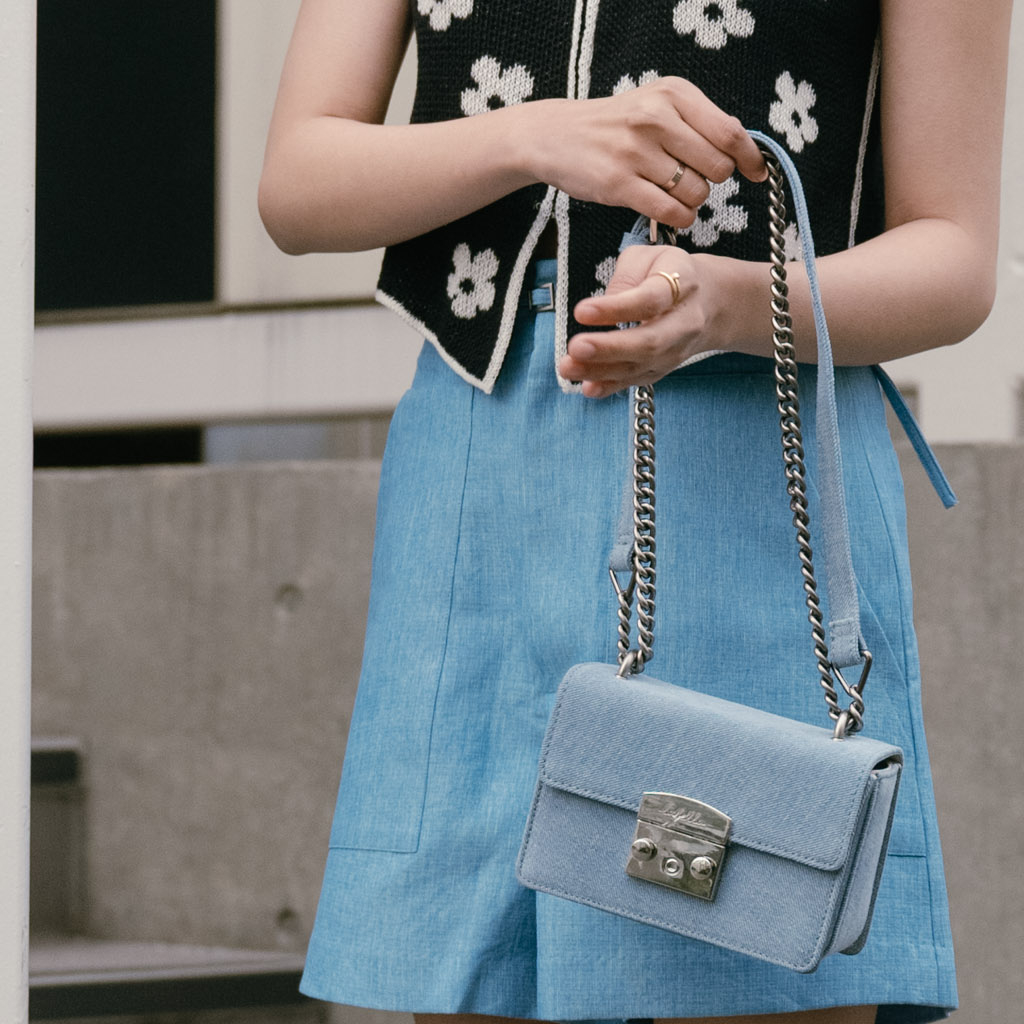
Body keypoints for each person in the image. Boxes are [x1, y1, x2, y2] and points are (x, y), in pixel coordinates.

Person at [259, 2, 1012, 1023]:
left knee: (759, 949)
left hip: (752, 468)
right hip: (476, 471)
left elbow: (955, 255)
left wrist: (727, 303)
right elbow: (297, 184)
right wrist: (536, 134)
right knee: (456, 980)